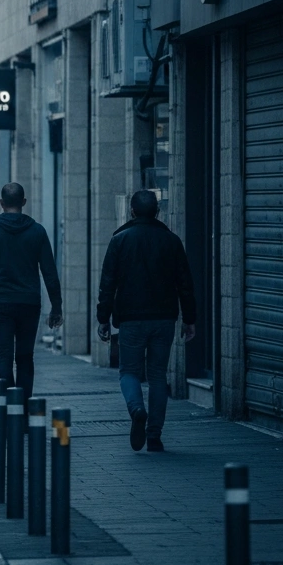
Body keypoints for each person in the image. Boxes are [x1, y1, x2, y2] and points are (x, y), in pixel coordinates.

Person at [96, 190, 197, 453]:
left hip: (130, 319)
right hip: (164, 318)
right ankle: (154, 436)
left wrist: (103, 318)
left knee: (129, 371)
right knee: (157, 376)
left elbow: (107, 284)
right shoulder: (171, 241)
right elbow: (185, 284)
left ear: (131, 212)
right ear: (157, 212)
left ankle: (137, 409)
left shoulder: (119, 240)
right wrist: (189, 319)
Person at [0, 183, 61, 400]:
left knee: (3, 358)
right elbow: (50, 273)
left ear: (1, 203)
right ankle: (25, 412)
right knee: (26, 358)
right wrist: (56, 306)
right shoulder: (37, 231)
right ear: (24, 202)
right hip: (29, 303)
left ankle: (7, 413)